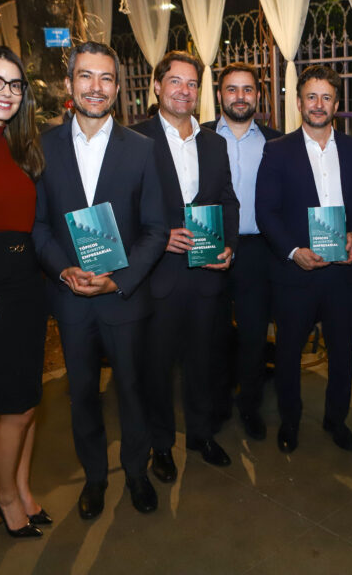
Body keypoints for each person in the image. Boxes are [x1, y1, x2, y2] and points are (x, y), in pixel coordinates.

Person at [32, 41, 167, 520]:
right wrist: (61, 268)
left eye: (106, 77)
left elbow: (156, 229)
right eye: (86, 76)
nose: (96, 86)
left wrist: (119, 281)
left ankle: (136, 472)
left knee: (132, 389)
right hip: (71, 300)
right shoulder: (43, 147)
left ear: (118, 88)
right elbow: (38, 225)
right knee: (82, 394)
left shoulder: (143, 150)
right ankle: (93, 477)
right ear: (69, 84)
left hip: (123, 299)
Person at [255, 64, 352, 453]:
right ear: (298, 102)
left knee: (342, 353)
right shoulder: (277, 151)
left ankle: (336, 419)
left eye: (326, 97)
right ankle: (289, 421)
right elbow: (265, 212)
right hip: (295, 274)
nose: (319, 104)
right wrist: (294, 252)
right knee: (288, 352)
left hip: (342, 273)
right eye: (311, 96)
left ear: (336, 104)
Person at [132, 51, 240, 478]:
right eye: (175, 81)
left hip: (207, 274)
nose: (184, 90)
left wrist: (229, 246)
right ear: (157, 86)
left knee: (203, 362)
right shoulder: (135, 140)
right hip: (157, 277)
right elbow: (125, 210)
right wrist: (160, 240)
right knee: (157, 368)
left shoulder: (214, 142)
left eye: (192, 83)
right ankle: (161, 445)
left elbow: (227, 201)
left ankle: (201, 434)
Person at [0, 44, 47, 538]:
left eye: (15, 84)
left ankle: (21, 488)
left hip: (27, 287)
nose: (7, 92)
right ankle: (3, 499)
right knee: (13, 407)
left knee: (29, 401)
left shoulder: (17, 144)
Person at [201, 62, 282, 441]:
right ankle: (217, 406)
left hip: (256, 251)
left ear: (258, 95)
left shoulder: (276, 143)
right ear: (219, 94)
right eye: (231, 89)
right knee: (212, 334)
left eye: (247, 89)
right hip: (209, 247)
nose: (240, 97)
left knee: (253, 335)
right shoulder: (197, 138)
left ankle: (250, 405)